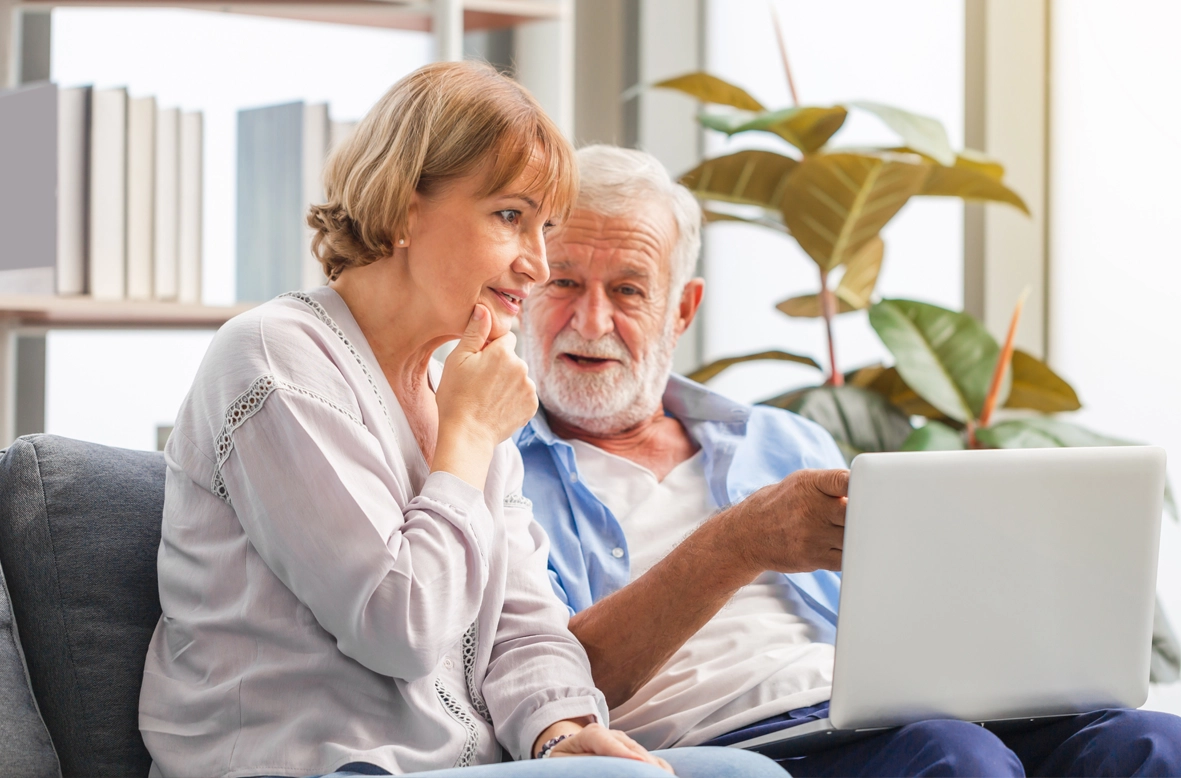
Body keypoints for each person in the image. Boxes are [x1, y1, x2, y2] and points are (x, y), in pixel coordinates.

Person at [138, 63, 785, 778]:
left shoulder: (456, 383)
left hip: (464, 766)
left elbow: (520, 617)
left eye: (544, 228)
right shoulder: (273, 358)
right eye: (510, 217)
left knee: (744, 774)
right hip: (322, 766)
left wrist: (558, 733)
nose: (536, 265)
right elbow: (399, 628)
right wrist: (468, 437)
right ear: (404, 206)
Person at [516, 143, 1181, 777]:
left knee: (1152, 742)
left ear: (681, 309)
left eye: (629, 290)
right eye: (564, 281)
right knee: (953, 759)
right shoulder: (500, 469)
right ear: (525, 292)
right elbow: (546, 684)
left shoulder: (779, 439)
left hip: (880, 713)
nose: (592, 319)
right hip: (743, 736)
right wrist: (738, 542)